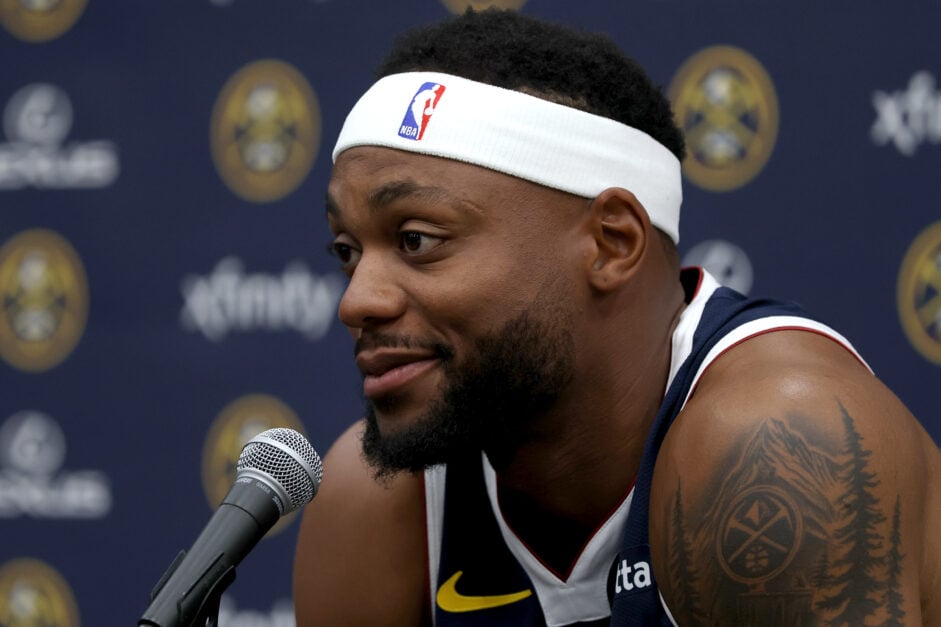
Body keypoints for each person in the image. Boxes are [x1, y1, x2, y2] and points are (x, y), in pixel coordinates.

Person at [293, 8, 941, 626]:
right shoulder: (378, 501)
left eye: (416, 240)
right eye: (347, 251)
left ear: (611, 243)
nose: (356, 300)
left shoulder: (774, 447)